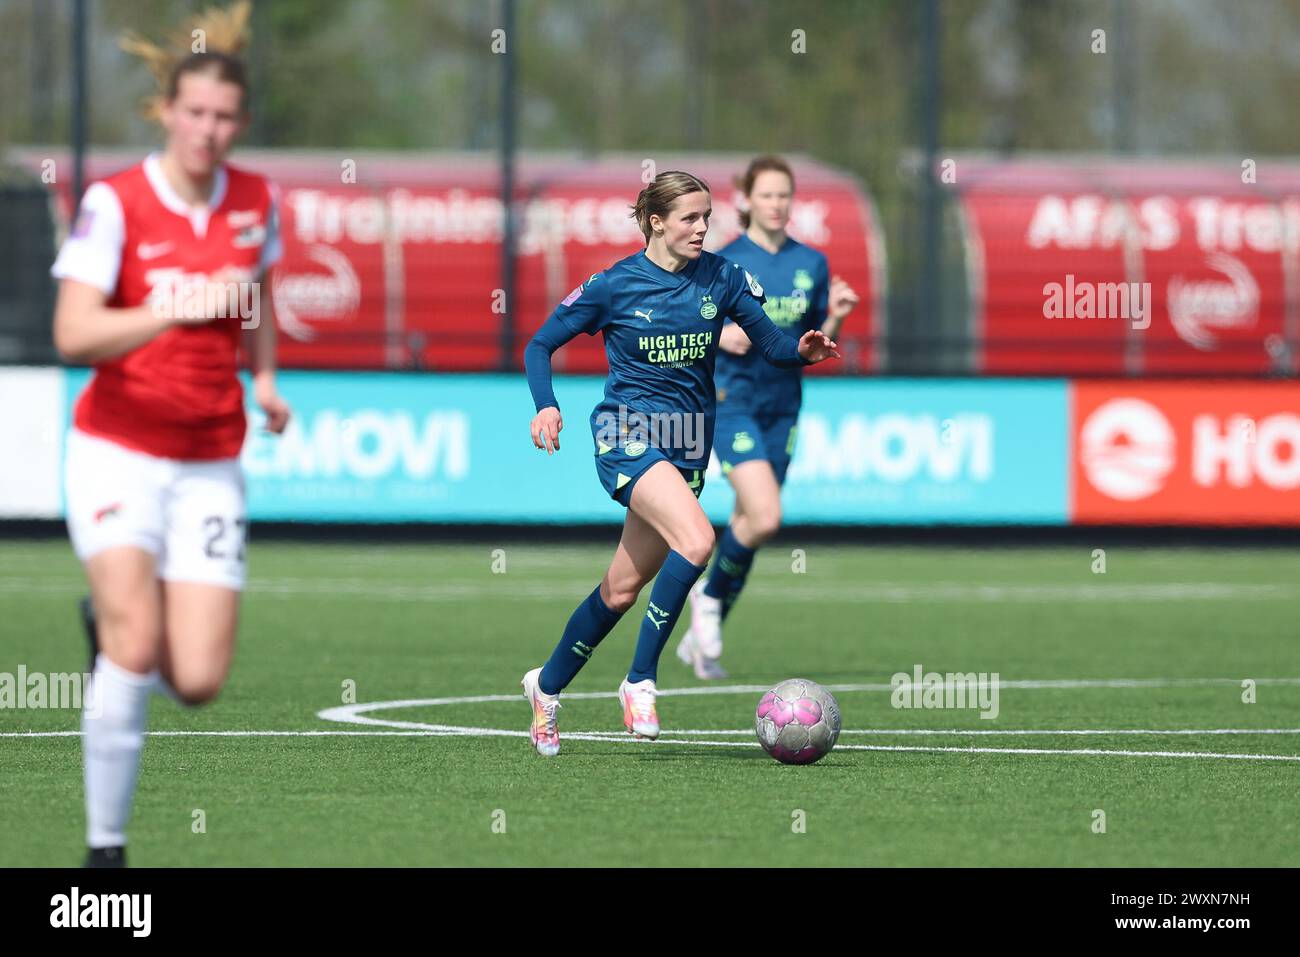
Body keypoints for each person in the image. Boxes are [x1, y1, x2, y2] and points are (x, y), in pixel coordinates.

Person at [50, 0, 289, 866]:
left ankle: (112, 631)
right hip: (116, 448)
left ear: (241, 124)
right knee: (136, 643)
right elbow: (73, 335)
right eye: (194, 112)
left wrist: (261, 377)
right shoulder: (115, 203)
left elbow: (257, 290)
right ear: (166, 112)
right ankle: (104, 854)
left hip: (211, 459)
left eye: (225, 117)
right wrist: (166, 306)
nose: (209, 130)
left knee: (196, 679)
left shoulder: (258, 200)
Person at [520, 170, 839, 756]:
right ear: (655, 221)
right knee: (696, 540)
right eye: (690, 218)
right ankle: (640, 679)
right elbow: (538, 345)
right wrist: (547, 407)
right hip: (627, 434)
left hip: (689, 442)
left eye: (706, 217)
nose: (702, 228)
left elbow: (769, 344)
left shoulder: (722, 276)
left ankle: (545, 687)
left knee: (619, 591)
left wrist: (801, 352)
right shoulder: (613, 285)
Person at [677, 156, 859, 679]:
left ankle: (703, 635)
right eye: (768, 195)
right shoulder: (721, 262)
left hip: (785, 405)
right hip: (733, 399)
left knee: (749, 523)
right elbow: (685, 324)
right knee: (767, 515)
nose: (777, 205)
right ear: (746, 201)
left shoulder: (812, 263)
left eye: (785, 195)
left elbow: (818, 345)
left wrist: (838, 317)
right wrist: (718, 335)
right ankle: (707, 602)